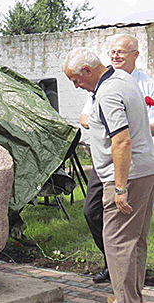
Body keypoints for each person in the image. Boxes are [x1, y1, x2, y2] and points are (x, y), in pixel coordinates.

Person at [63, 47, 154, 303]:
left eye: (76, 79)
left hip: (125, 176)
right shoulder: (122, 77)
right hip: (145, 171)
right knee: (134, 242)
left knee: (117, 244)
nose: (76, 86)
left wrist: (120, 188)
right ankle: (132, 297)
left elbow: (122, 141)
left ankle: (126, 300)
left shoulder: (107, 93)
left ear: (88, 71)